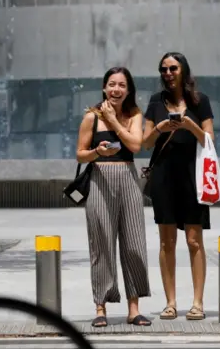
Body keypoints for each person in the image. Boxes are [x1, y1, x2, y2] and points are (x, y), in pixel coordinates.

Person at [76, 67, 151, 328]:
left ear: (128, 90)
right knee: (102, 244)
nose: (116, 89)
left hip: (128, 180)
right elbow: (79, 154)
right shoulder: (91, 117)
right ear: (104, 88)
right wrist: (97, 152)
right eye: (111, 84)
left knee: (134, 244)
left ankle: (134, 308)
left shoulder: (134, 115)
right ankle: (100, 307)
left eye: (121, 85)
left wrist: (114, 120)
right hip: (100, 180)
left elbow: (134, 146)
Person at [142, 52, 214, 321]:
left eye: (173, 68)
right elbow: (144, 143)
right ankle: (170, 302)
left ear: (183, 70)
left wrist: (190, 125)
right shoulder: (155, 102)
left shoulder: (200, 101)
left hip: (193, 175)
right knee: (166, 241)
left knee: (194, 240)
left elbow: (210, 140)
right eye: (163, 69)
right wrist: (160, 127)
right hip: (163, 176)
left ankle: (197, 303)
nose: (168, 73)